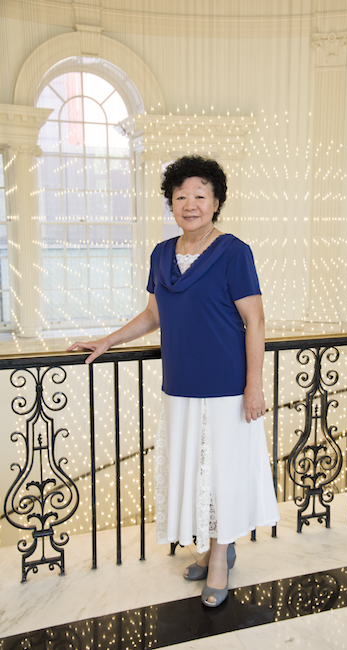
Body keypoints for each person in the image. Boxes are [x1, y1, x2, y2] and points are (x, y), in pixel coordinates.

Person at [68, 155, 280, 607]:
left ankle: (218, 559)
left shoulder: (234, 252)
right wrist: (109, 340)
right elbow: (153, 315)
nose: (189, 204)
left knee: (222, 473)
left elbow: (255, 320)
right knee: (195, 470)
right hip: (180, 385)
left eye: (199, 195)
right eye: (180, 195)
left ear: (216, 202)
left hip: (227, 386)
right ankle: (208, 547)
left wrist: (254, 386)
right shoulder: (162, 254)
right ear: (171, 203)